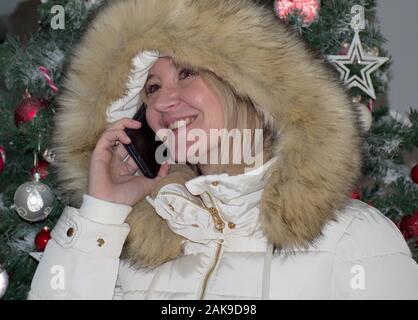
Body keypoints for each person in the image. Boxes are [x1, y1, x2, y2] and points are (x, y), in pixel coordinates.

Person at [29, 0, 418, 300]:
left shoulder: (353, 237)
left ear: (245, 84)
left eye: (187, 73)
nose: (164, 101)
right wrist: (102, 212)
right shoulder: (130, 243)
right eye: (151, 88)